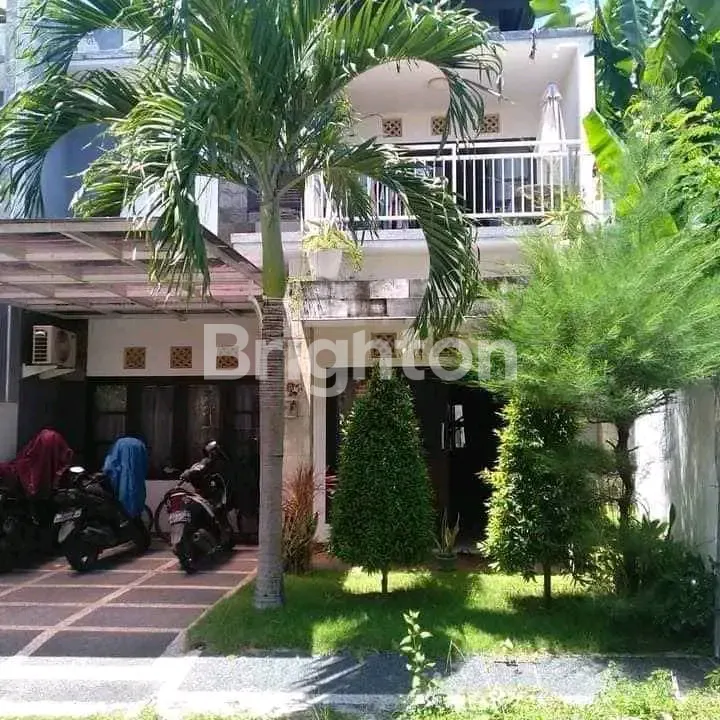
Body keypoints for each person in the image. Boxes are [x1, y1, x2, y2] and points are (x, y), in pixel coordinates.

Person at [102, 436, 148, 518]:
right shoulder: (140, 445)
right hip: (138, 486)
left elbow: (110, 467)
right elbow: (145, 465)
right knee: (136, 513)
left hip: (122, 485)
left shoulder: (119, 444)